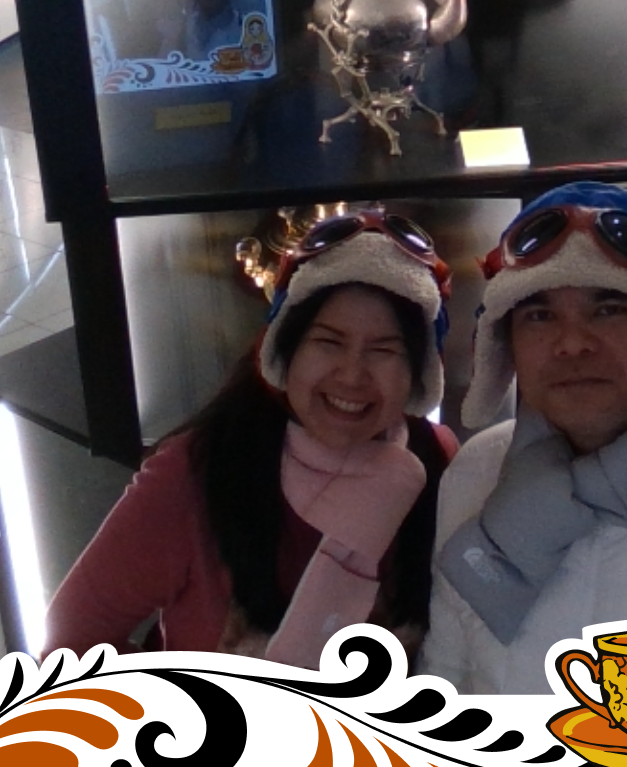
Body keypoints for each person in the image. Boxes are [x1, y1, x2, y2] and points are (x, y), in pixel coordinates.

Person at [44, 210, 457, 669]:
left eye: (384, 350)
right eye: (329, 342)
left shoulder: (437, 462)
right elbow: (69, 652)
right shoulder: (196, 474)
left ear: (420, 373)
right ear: (283, 349)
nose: (352, 375)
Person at [419, 181, 627, 695]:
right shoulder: (475, 471)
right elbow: (443, 673)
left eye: (609, 309)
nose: (572, 343)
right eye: (540, 315)